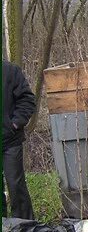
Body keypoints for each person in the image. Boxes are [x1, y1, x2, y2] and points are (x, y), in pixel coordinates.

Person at [2, 60, 36, 219]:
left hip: (10, 141)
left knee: (16, 187)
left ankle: (25, 230)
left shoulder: (9, 70)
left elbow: (27, 99)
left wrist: (15, 124)